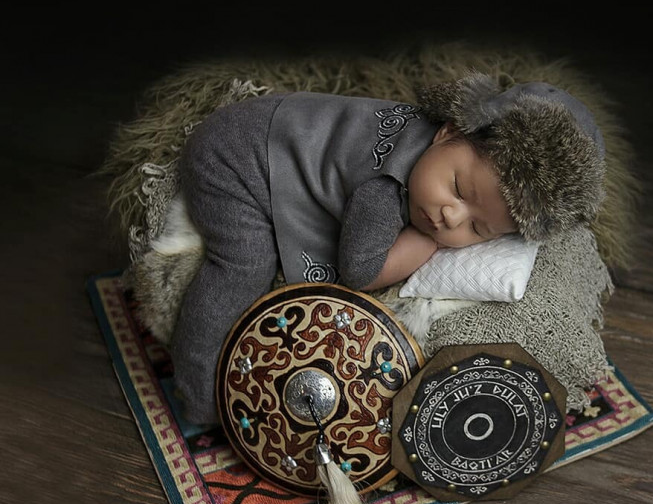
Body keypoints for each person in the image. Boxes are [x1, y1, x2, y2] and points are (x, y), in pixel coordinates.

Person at [171, 72, 606, 424]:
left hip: (279, 125)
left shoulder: (442, 155)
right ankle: (199, 395)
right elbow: (361, 272)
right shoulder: (381, 192)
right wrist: (425, 241)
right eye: (457, 188)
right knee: (243, 266)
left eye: (477, 228)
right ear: (447, 131)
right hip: (236, 157)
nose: (450, 217)